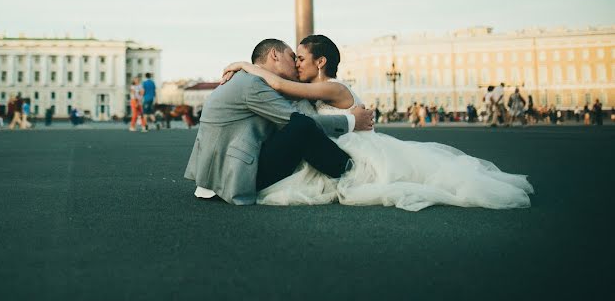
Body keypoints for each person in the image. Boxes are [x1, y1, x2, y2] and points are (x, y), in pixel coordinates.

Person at [219, 35, 534, 211]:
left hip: (356, 153)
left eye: (301, 58)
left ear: (320, 62)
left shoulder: (333, 87)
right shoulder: (321, 90)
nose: (297, 63)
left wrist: (245, 65)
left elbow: (280, 87)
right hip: (339, 149)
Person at [184, 38, 373, 205]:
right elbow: (297, 122)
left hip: (215, 174)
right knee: (301, 126)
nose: (296, 64)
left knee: (298, 127)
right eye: (293, 57)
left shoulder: (246, 80)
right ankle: (349, 173)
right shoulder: (253, 84)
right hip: (230, 176)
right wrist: (351, 121)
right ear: (275, 55)